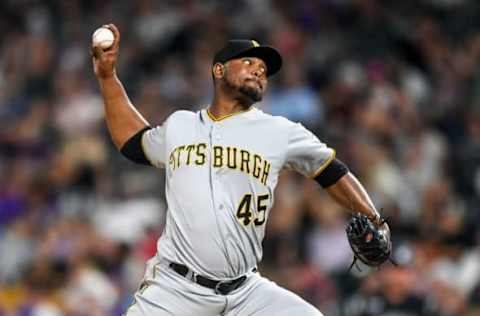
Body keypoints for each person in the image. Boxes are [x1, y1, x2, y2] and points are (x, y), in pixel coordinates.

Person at [91, 23, 389, 316]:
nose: (259, 70)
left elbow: (332, 171)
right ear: (218, 70)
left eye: (263, 68)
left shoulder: (280, 131)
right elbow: (132, 141)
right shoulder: (181, 125)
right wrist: (107, 77)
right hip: (175, 289)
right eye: (248, 62)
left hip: (245, 291)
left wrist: (375, 219)